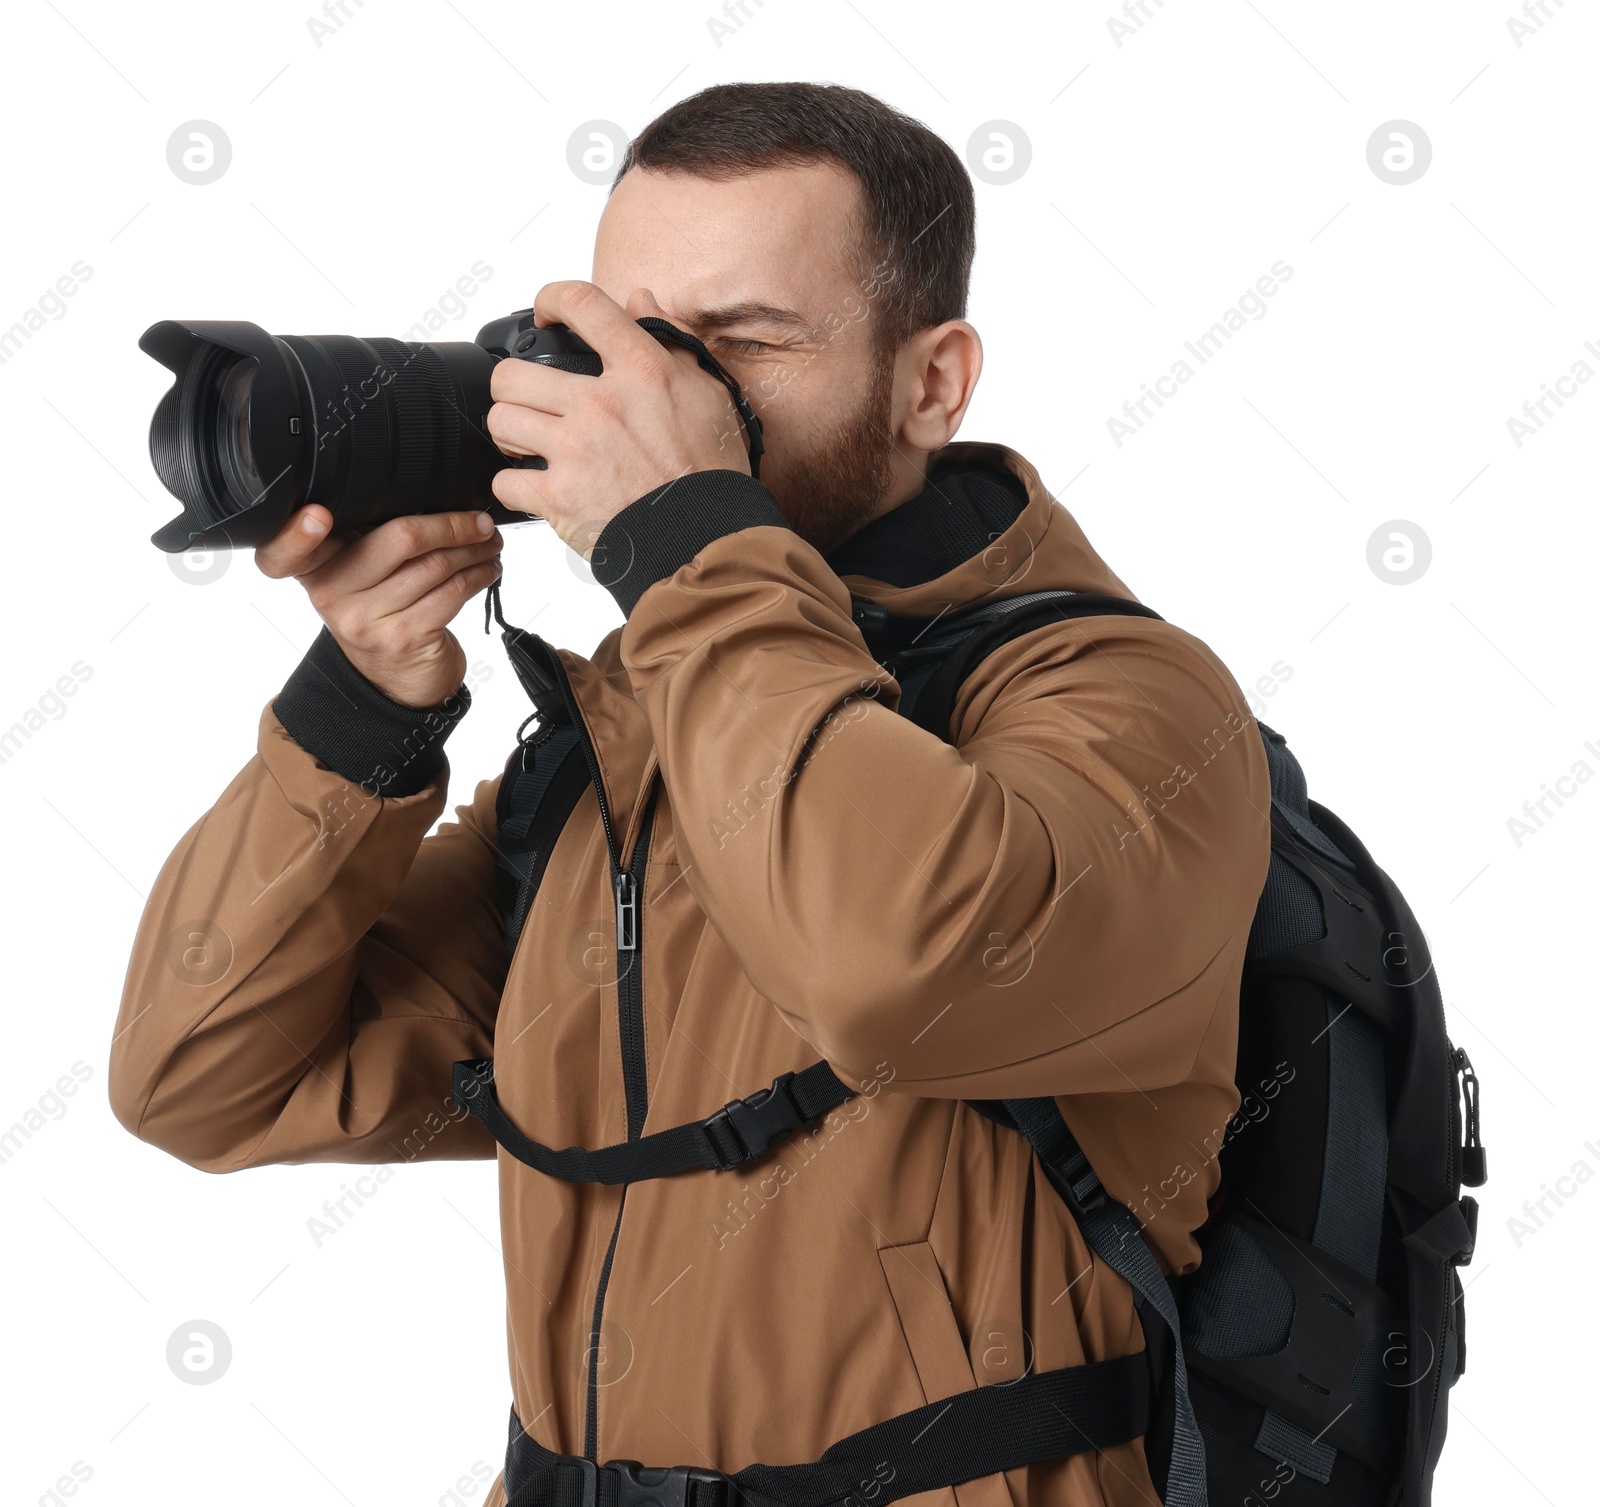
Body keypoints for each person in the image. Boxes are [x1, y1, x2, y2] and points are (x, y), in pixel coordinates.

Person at [110, 82, 1271, 1507]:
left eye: (739, 343)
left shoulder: (1129, 702)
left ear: (933, 382)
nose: (651, 396)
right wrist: (366, 703)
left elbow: (897, 970)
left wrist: (679, 541)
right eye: (626, 337)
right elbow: (207, 1082)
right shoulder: (625, 742)